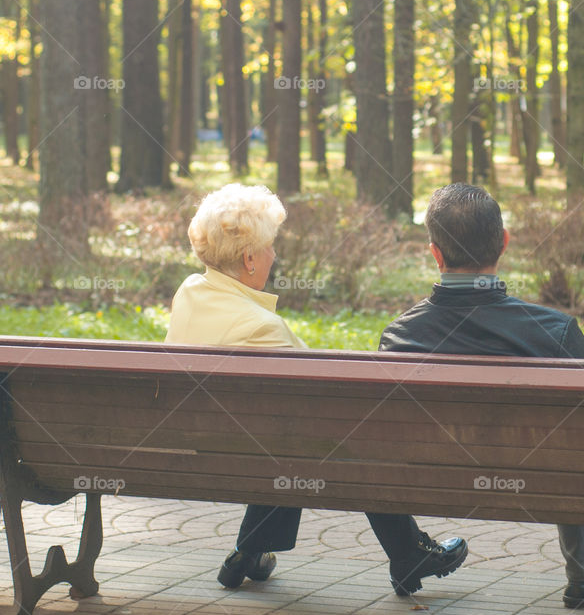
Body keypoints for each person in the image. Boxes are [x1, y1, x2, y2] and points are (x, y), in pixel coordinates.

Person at [165, 183, 468, 593]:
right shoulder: (261, 328)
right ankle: (408, 552)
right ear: (250, 258)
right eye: (270, 246)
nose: (275, 255)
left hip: (206, 448)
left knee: (284, 438)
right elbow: (322, 402)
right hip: (252, 452)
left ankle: (250, 550)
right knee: (349, 439)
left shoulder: (190, 292)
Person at [377, 183, 584, 609]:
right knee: (579, 445)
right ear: (504, 243)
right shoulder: (554, 331)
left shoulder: (399, 336)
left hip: (430, 479)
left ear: (435, 254)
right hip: (538, 479)